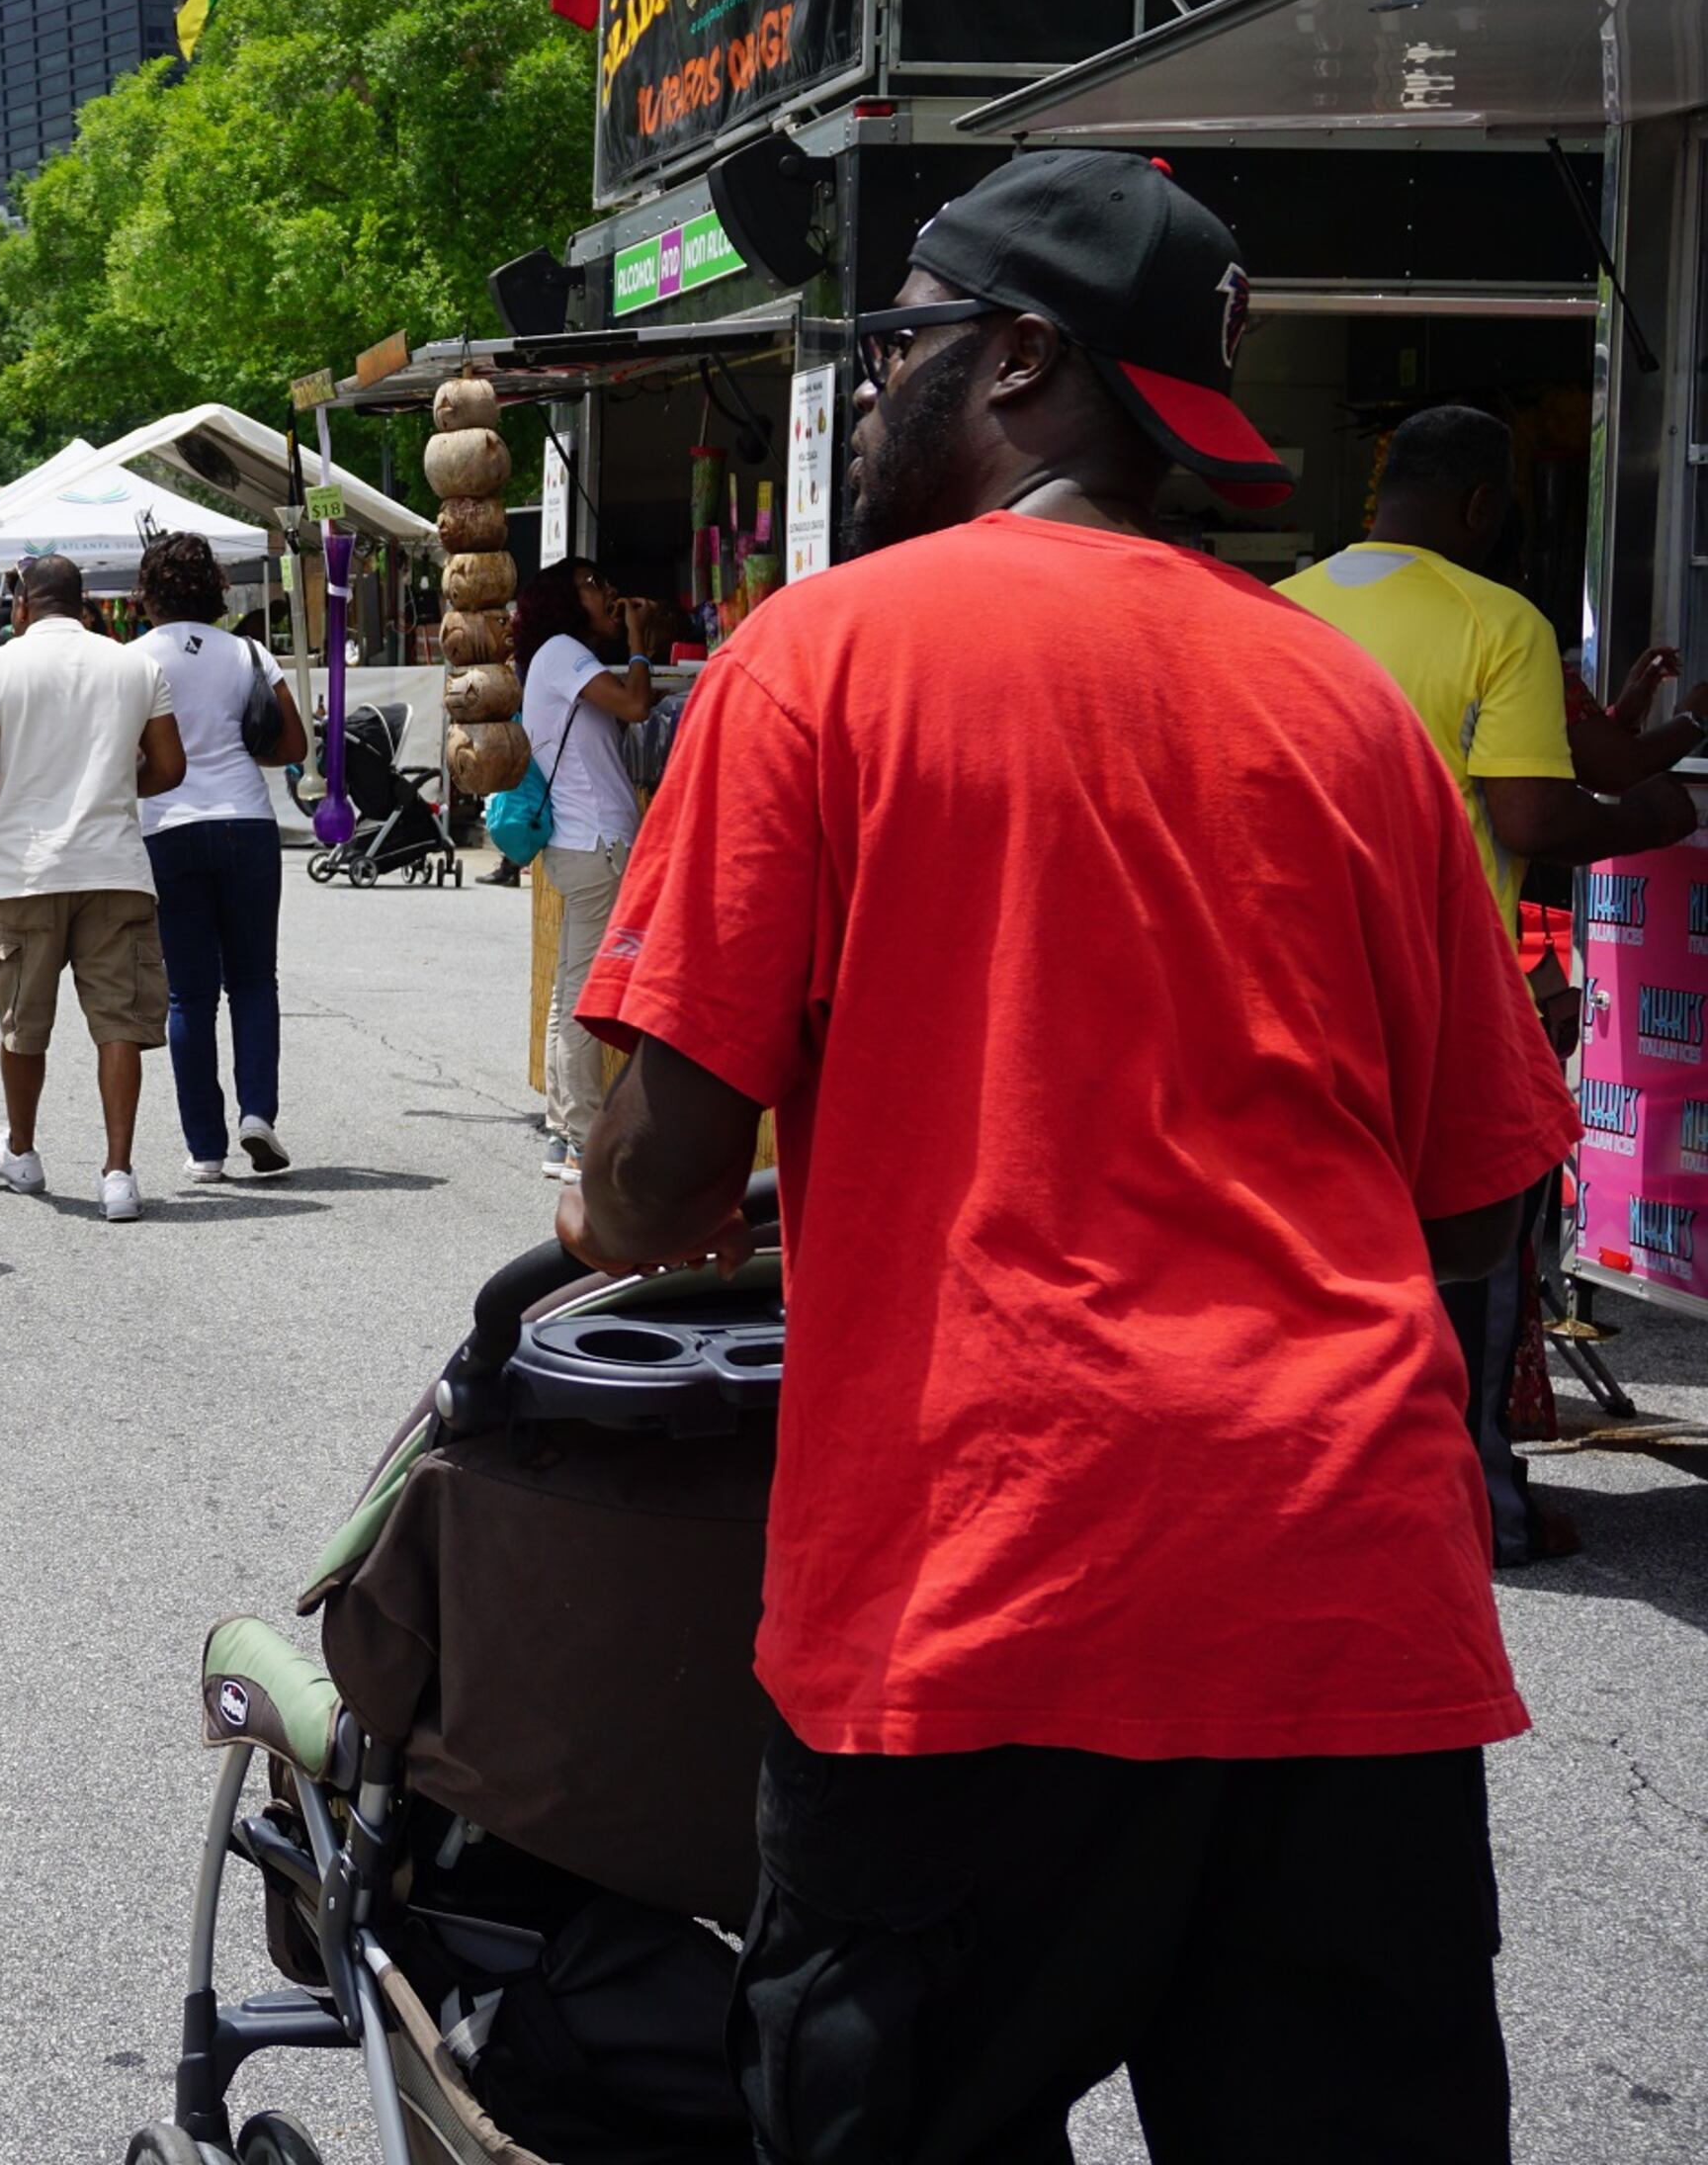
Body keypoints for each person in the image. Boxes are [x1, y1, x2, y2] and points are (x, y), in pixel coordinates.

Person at [563, 149, 1575, 2162]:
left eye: (897, 348)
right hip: (1341, 1599)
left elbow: (662, 1172)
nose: (866, 395)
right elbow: (1474, 1186)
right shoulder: (1351, 708)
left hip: (985, 1594)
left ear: (1019, 360)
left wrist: (614, 1194)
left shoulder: (819, 656)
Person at [1278, 401, 1698, 1567]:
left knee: (1321, 1261)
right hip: (1445, 1003)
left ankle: (1324, 1498)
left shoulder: (1283, 608)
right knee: (1467, 1273)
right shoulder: (1496, 619)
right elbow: (1534, 812)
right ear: (1480, 506)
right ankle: (1480, 1513)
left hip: (1294, 997)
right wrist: (1657, 815)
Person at [0, 553, 186, 1223]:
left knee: (25, 1021)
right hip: (115, 866)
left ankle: (22, 1150)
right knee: (119, 1022)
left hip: (28, 868)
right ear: (82, 604)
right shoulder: (135, 666)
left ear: (23, 605)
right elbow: (169, 766)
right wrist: (115, 789)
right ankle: (119, 1172)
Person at [133, 533, 306, 1183]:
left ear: (147, 593)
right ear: (215, 591)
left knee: (189, 996)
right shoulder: (249, 652)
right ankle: (257, 1114)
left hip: (168, 827)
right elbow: (291, 743)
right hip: (246, 821)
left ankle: (206, 1149)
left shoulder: (133, 659)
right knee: (255, 980)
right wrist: (235, 751)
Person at [513, 558, 670, 1179]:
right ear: (561, 601)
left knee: (566, 995)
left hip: (583, 845)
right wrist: (639, 643)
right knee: (581, 998)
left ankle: (562, 1131)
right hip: (596, 844)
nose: (607, 592)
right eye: (592, 586)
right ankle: (581, 1138)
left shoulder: (560, 659)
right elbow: (635, 706)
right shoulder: (561, 653)